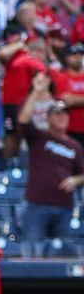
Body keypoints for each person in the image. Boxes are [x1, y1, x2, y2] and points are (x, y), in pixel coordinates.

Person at [21, 100, 84, 256]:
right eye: (57, 114)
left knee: (61, 255)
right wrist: (36, 92)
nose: (62, 117)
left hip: (64, 207)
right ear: (48, 118)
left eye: (65, 114)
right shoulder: (39, 138)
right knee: (32, 254)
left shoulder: (75, 146)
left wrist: (75, 180)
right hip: (36, 206)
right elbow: (23, 120)